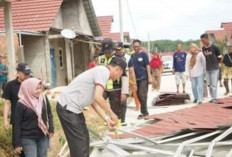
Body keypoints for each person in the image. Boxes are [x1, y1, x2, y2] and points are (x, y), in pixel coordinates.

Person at [56, 56, 127, 157]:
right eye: (121, 74)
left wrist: (106, 119)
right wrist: (112, 114)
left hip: (73, 109)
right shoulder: (103, 72)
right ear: (118, 69)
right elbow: (98, 97)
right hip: (68, 108)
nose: (119, 77)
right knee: (79, 144)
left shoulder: (101, 72)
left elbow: (94, 101)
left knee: (84, 139)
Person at [14, 78, 54, 157]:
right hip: (28, 138)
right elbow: (17, 124)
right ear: (29, 89)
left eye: (40, 88)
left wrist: (51, 128)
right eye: (36, 89)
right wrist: (17, 143)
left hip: (42, 136)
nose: (39, 91)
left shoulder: (43, 98)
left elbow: (49, 113)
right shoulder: (21, 104)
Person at [3, 63, 32, 156]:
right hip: (17, 122)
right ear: (18, 73)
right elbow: (7, 103)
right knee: (19, 147)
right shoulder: (10, 85)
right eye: (25, 74)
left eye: (29, 74)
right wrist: (5, 120)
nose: (28, 76)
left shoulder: (32, 84)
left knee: (31, 147)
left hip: (31, 121)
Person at [97, 38, 128, 124]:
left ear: (113, 49)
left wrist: (124, 92)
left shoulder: (120, 59)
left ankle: (117, 127)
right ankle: (107, 122)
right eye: (105, 52)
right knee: (100, 103)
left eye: (109, 52)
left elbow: (125, 76)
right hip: (103, 87)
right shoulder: (100, 59)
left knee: (116, 110)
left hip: (116, 88)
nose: (107, 54)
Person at [129, 39, 152, 119]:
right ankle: (144, 111)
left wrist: (149, 77)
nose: (136, 48)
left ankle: (144, 112)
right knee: (138, 95)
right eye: (134, 46)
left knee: (142, 95)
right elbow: (131, 69)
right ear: (133, 47)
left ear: (140, 46)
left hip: (144, 78)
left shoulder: (144, 55)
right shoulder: (132, 56)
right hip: (136, 79)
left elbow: (148, 66)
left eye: (137, 46)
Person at [115, 41, 137, 125]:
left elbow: (131, 71)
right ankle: (116, 119)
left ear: (123, 48)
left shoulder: (128, 58)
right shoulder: (113, 57)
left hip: (125, 80)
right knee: (115, 101)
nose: (118, 51)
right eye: (116, 50)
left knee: (123, 100)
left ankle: (122, 120)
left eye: (119, 49)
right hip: (115, 81)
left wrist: (134, 83)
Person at [200, 33, 222, 103]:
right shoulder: (203, 48)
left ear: (207, 39)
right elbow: (205, 57)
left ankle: (214, 98)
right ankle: (212, 97)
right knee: (209, 85)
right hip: (207, 69)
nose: (202, 42)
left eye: (203, 40)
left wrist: (218, 63)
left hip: (215, 69)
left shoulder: (215, 47)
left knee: (214, 84)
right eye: (201, 41)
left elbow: (220, 57)